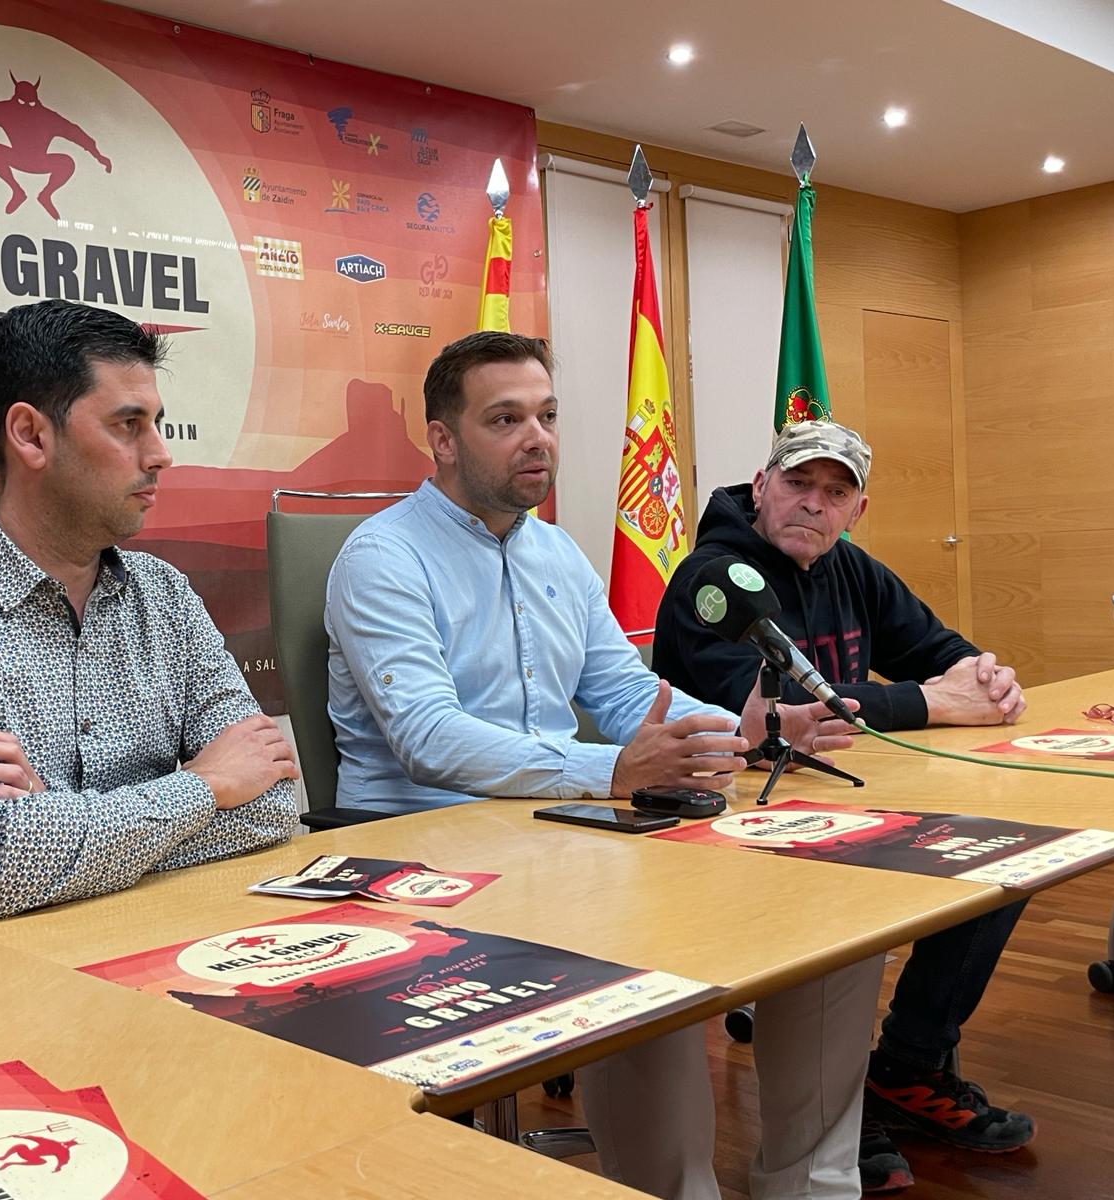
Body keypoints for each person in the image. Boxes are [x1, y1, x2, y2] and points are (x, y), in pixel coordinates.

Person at [326, 330, 879, 1200]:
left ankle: (812, 1187)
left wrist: (759, 728)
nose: (538, 438)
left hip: (563, 827)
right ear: (442, 438)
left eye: (546, 415)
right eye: (506, 419)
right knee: (646, 958)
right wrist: (614, 771)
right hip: (423, 848)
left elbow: (627, 693)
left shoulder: (555, 551)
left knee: (836, 919)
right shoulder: (381, 558)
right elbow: (428, 737)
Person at [654, 419, 1034, 1193]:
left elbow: (945, 657)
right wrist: (932, 702)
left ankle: (908, 1068)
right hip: (719, 822)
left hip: (840, 801)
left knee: (1008, 851)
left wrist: (984, 681)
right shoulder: (714, 578)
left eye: (836, 493)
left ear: (857, 511)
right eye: (798, 485)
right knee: (856, 896)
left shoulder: (853, 568)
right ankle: (832, 1111)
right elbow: (776, 716)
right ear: (761, 488)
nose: (813, 506)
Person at [0, 300, 299, 922]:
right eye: (128, 424)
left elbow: (273, 803)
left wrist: (52, 824)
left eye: (157, 422)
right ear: (30, 435)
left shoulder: (164, 597)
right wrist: (205, 787)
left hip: (139, 950)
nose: (161, 454)